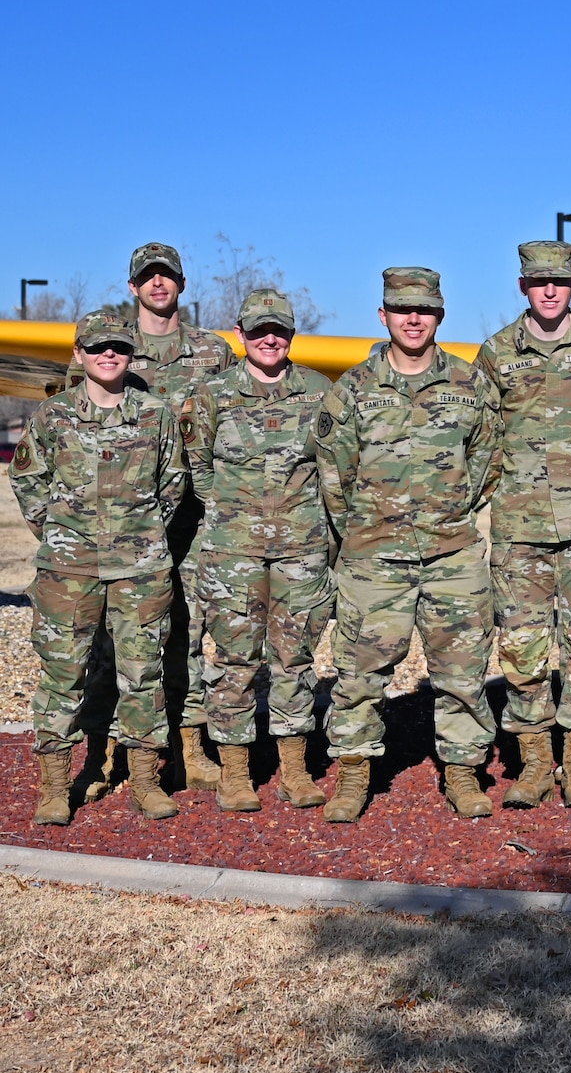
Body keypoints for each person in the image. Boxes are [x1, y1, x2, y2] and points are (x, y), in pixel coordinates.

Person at [313, 267, 502, 822]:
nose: (413, 319)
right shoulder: (352, 390)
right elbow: (334, 475)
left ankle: (464, 774)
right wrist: (367, 531)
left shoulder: (469, 386)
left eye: (424, 310)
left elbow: (485, 464)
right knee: (358, 672)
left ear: (439, 316)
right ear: (383, 316)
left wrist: (450, 515)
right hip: (375, 556)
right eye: (402, 309)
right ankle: (353, 776)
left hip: (452, 553)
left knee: (463, 672)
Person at [14, 308, 186, 824]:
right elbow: (28, 480)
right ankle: (54, 785)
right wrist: (61, 534)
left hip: (140, 568)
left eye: (118, 347)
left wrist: (142, 533)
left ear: (132, 354)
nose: (108, 355)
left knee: (143, 674)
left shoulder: (156, 415)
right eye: (96, 348)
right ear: (79, 354)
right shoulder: (54, 416)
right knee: (62, 676)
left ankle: (146, 782)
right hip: (69, 570)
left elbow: (172, 485)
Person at [476, 242, 571, 812]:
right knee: (521, 650)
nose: (548, 290)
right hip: (521, 527)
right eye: (538, 281)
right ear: (522, 286)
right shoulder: (496, 354)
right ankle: (536, 762)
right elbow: (480, 439)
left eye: (559, 282)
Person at [183, 289, 335, 813]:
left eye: (280, 330)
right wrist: (234, 513)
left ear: (292, 335)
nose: (270, 339)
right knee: (232, 660)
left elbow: (334, 464)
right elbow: (197, 467)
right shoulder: (213, 394)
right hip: (233, 553)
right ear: (240, 334)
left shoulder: (319, 392)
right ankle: (235, 773)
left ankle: (294, 770)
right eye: (258, 330)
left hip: (301, 549)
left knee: (294, 658)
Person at [123, 242, 240, 793]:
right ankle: (122, 747)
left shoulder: (213, 352)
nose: (158, 283)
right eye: (148, 276)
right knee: (127, 634)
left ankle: (190, 747)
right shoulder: (114, 349)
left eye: (166, 275)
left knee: (189, 628)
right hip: (133, 516)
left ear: (182, 283)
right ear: (133, 287)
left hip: (197, 513)